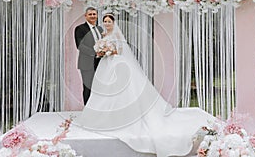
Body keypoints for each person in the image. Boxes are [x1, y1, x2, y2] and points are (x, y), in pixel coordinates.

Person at [75, 13, 216, 157]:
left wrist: (109, 51)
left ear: (113, 22)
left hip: (116, 64)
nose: (106, 23)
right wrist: (101, 51)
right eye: (105, 21)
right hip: (105, 65)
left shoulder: (116, 35)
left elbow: (121, 51)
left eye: (109, 21)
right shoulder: (103, 34)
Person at [74, 7, 103, 105]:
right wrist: (95, 53)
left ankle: (97, 109)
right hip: (86, 63)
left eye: (94, 14)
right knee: (88, 87)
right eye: (90, 14)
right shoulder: (80, 28)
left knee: (100, 87)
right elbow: (80, 45)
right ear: (85, 16)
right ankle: (88, 111)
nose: (92, 16)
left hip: (101, 63)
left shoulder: (100, 29)